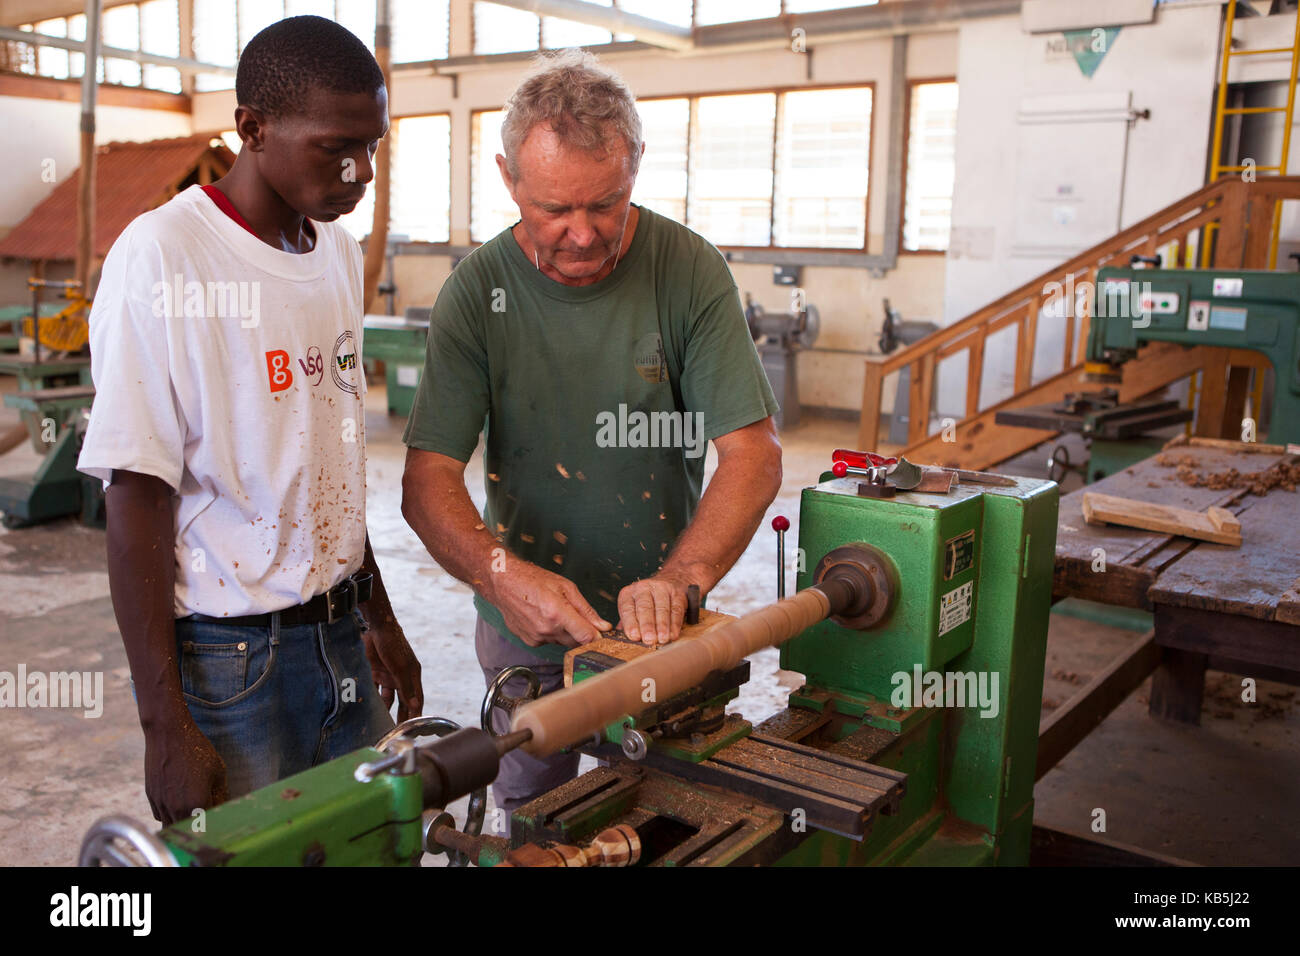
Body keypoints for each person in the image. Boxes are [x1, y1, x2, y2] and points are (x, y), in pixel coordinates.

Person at [401, 50, 782, 816]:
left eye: (603, 204)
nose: (580, 234)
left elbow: (751, 453)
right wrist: (499, 575)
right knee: (535, 821)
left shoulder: (689, 272)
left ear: (635, 165)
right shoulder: (477, 295)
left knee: (664, 815)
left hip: (662, 634)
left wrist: (681, 580)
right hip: (522, 637)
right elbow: (427, 479)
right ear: (508, 178)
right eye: (552, 210)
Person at [77, 15, 422, 826]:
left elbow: (321, 459)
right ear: (252, 130)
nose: (360, 170)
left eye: (374, 145)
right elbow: (135, 496)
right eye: (339, 145)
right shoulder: (163, 257)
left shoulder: (333, 251)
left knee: (360, 840)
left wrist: (378, 614)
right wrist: (165, 725)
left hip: (339, 635)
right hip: (231, 663)